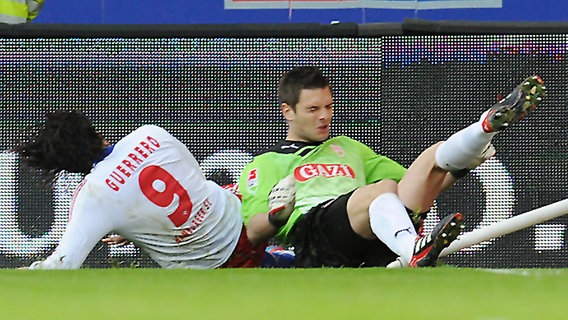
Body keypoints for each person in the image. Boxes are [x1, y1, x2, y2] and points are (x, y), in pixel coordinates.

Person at [239, 66, 546, 268]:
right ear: (287, 111)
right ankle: (414, 249)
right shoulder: (265, 163)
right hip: (315, 241)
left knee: (432, 159)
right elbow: (253, 232)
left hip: (366, 236)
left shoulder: (348, 147)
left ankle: (484, 128)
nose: (324, 116)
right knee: (382, 190)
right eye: (313, 109)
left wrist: (460, 169)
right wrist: (277, 216)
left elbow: (415, 187)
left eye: (329, 107)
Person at [14, 110, 290, 269]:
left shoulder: (93, 195)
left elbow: (63, 263)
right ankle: (291, 241)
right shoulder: (149, 133)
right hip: (242, 213)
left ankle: (283, 260)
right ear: (92, 131)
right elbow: (194, 182)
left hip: (220, 262)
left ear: (64, 167)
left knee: (261, 269)